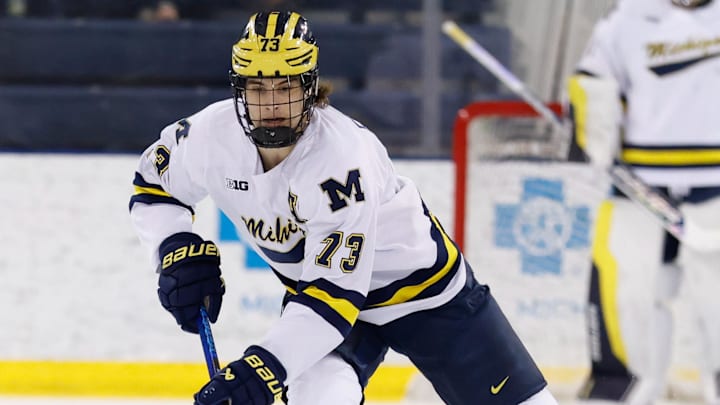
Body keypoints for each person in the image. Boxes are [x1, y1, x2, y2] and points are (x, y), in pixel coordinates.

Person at [129, 10, 558, 405]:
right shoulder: (208, 137)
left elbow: (337, 295)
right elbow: (154, 186)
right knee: (318, 397)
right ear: (239, 89)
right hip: (321, 300)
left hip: (425, 295)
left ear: (310, 86)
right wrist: (173, 246)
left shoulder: (341, 159)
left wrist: (263, 370)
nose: (273, 105)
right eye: (258, 88)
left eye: (287, 86)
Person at [566, 0, 720, 404]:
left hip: (716, 184)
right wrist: (597, 127)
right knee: (625, 293)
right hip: (638, 184)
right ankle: (622, 389)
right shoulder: (628, 18)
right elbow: (593, 81)